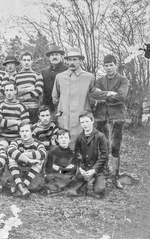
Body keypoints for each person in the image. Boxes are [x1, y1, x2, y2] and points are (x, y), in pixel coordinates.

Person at [52, 47, 105, 148]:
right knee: (64, 144)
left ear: (80, 61)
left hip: (81, 117)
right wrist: (62, 108)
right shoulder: (60, 77)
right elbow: (55, 97)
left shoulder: (89, 77)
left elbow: (94, 94)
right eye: (70, 60)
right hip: (64, 117)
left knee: (82, 145)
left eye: (75, 59)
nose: (72, 62)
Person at [92, 54, 129, 190]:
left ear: (116, 65)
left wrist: (103, 95)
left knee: (115, 148)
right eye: (106, 65)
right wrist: (109, 94)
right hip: (101, 117)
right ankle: (105, 175)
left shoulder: (123, 80)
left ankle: (115, 178)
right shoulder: (100, 80)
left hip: (116, 117)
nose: (108, 68)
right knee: (103, 147)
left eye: (111, 65)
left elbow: (121, 97)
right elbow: (93, 94)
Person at [74, 111, 109, 197]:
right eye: (82, 122)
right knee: (73, 188)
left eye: (87, 121)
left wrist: (94, 170)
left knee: (99, 191)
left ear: (92, 121)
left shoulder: (100, 137)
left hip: (97, 169)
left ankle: (100, 180)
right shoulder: (79, 137)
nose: (84, 124)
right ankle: (86, 181)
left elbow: (104, 156)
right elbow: (77, 154)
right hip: (84, 169)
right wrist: (81, 168)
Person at [7, 122, 47, 197]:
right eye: (22, 131)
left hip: (31, 170)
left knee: (40, 161)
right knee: (11, 158)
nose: (25, 134)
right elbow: (10, 151)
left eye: (27, 131)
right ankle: (20, 185)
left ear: (32, 132)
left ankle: (24, 185)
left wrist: (21, 155)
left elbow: (43, 153)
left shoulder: (38, 143)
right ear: (19, 133)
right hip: (17, 169)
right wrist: (29, 159)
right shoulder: (16, 141)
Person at [0, 81, 30, 150]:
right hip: (3, 136)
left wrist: (6, 125)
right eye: (7, 90)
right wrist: (16, 122)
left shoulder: (22, 107)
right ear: (4, 92)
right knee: (3, 146)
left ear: (15, 91)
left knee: (15, 149)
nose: (9, 93)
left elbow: (25, 126)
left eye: (11, 90)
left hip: (18, 137)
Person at [10, 52, 43, 123]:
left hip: (33, 109)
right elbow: (11, 91)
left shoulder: (37, 75)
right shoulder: (14, 76)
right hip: (18, 108)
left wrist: (22, 96)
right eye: (24, 60)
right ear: (21, 61)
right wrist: (29, 89)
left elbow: (38, 91)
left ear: (32, 61)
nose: (26, 62)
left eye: (28, 60)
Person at [45, 129, 77, 193]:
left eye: (65, 138)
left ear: (69, 140)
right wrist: (63, 169)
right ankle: (58, 187)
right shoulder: (52, 151)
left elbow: (72, 169)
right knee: (49, 177)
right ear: (57, 140)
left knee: (72, 178)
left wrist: (58, 168)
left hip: (66, 176)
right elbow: (48, 167)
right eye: (61, 138)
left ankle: (59, 187)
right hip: (54, 174)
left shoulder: (72, 153)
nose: (63, 140)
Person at [41, 45, 68, 117]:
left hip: (63, 106)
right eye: (52, 55)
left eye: (57, 54)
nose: (54, 57)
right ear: (49, 58)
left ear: (61, 56)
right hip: (47, 108)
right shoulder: (44, 72)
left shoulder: (67, 70)